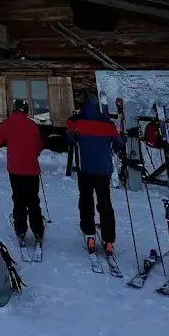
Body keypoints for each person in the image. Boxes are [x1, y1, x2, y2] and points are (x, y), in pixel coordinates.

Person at [66, 94, 125, 257]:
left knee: (86, 200)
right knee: (105, 202)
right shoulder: (108, 124)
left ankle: (89, 234)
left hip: (86, 168)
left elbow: (70, 138)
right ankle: (109, 240)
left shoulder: (77, 122)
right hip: (104, 169)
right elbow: (119, 144)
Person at [0, 99, 46, 247]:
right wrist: (34, 154)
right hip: (32, 169)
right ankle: (37, 229)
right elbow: (39, 145)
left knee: (19, 199)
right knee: (33, 200)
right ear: (25, 110)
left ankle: (21, 230)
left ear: (14, 109)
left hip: (16, 169)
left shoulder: (8, 123)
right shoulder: (32, 125)